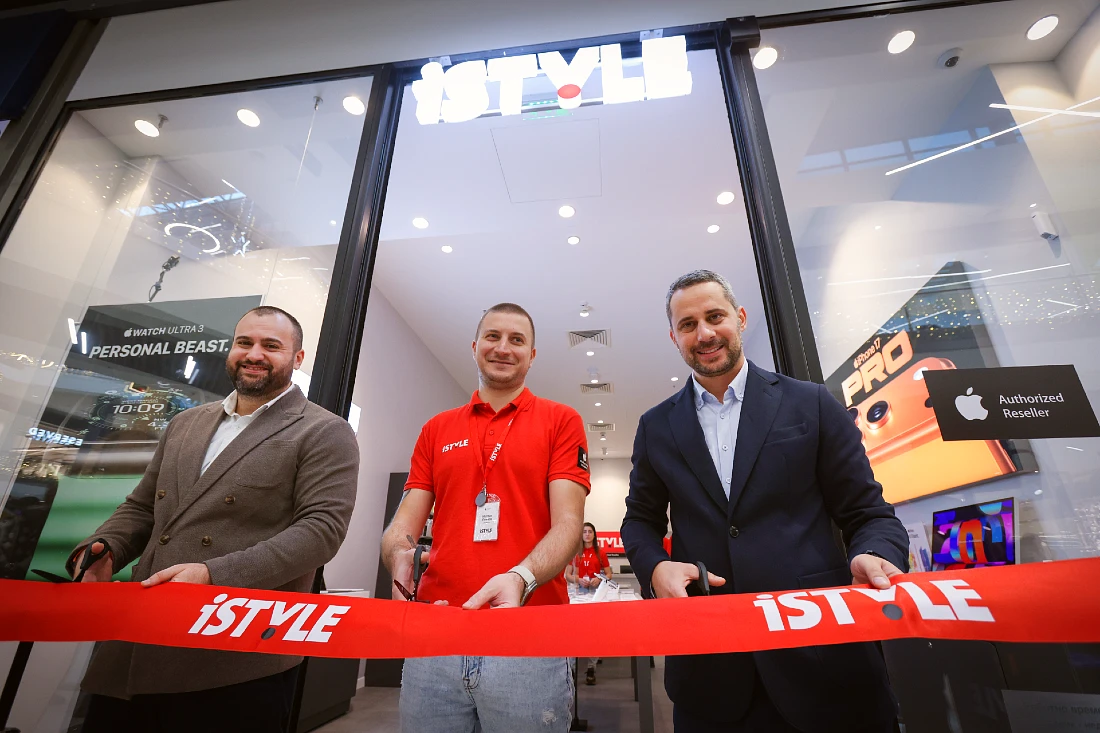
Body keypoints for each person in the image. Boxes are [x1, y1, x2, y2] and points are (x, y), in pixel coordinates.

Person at [621, 270, 909, 733]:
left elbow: (868, 514)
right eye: (688, 324)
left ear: (739, 317)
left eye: (715, 317)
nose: (705, 333)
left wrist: (873, 553)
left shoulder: (811, 403)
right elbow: (639, 520)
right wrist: (655, 566)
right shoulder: (656, 426)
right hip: (711, 675)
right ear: (674, 337)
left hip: (825, 663)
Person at [67, 306, 359, 733]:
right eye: (245, 342)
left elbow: (321, 533)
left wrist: (213, 574)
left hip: (237, 657)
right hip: (138, 640)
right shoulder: (185, 423)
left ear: (297, 359)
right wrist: (107, 545)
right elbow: (143, 506)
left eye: (271, 346)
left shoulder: (324, 430)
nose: (254, 354)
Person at [381, 302, 590, 733]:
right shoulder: (436, 429)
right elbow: (403, 526)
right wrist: (399, 555)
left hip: (529, 637)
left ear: (532, 355)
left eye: (517, 340)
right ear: (475, 347)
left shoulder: (561, 421)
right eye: (493, 337)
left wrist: (519, 578)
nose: (503, 348)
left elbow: (569, 526)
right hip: (439, 633)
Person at [564, 521, 612, 685]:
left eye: (590, 531)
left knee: (594, 631)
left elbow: (609, 574)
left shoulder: (600, 553)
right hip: (577, 595)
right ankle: (571, 667)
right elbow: (567, 575)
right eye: (584, 531)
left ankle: (592, 667)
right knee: (573, 632)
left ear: (594, 534)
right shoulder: (575, 553)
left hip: (594, 596)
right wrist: (578, 580)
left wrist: (599, 579)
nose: (587, 534)